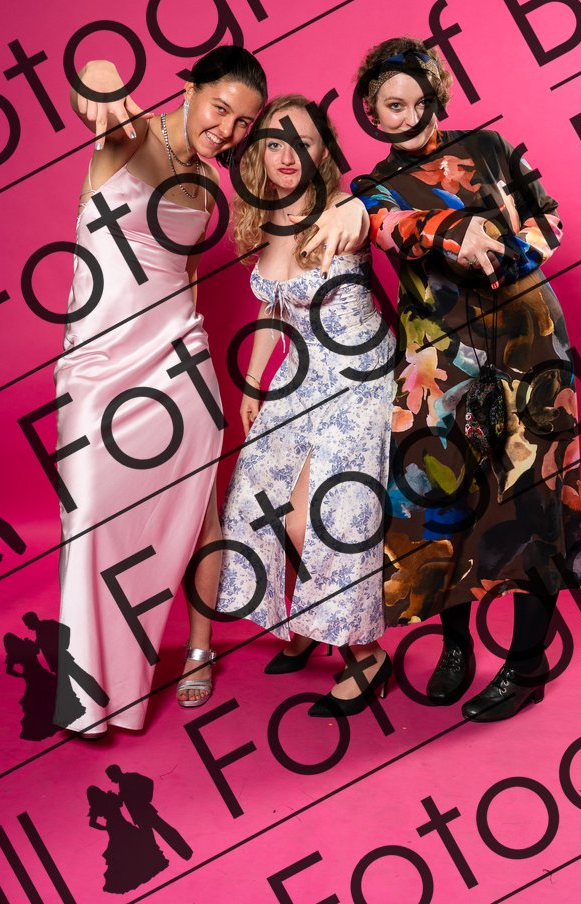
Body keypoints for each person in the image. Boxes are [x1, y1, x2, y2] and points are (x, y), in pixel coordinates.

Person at [351, 37, 581, 722]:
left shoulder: (491, 147)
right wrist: (455, 233)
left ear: (437, 97)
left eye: (419, 99)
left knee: (535, 496)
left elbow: (548, 216)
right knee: (438, 498)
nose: (409, 114)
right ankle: (456, 645)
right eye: (393, 104)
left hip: (530, 343)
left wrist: (512, 255)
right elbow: (391, 227)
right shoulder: (371, 189)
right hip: (439, 362)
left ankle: (526, 663)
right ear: (371, 111)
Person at [55, 46, 267, 732]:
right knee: (90, 511)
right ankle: (94, 691)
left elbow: (185, 276)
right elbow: (94, 78)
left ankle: (200, 647)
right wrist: (102, 81)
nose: (226, 130)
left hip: (178, 360)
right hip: (98, 368)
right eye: (219, 108)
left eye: (243, 123)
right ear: (188, 89)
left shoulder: (208, 184)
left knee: (200, 513)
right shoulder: (129, 135)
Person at [216, 95, 395, 716]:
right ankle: (308, 621)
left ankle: (367, 654)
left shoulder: (344, 210)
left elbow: (374, 208)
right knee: (256, 499)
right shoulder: (267, 217)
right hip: (299, 375)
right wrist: (253, 385)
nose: (287, 154)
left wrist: (359, 205)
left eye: (303, 142)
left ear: (324, 152)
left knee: (320, 518)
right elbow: (274, 306)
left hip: (358, 375)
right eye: (274, 142)